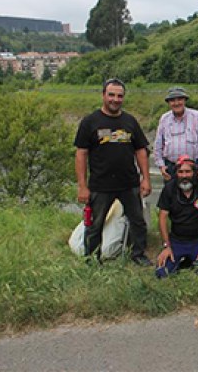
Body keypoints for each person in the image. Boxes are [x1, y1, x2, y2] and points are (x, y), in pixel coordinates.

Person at [74, 78, 152, 266]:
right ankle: (92, 259)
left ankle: (138, 255)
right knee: (95, 224)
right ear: (103, 95)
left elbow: (141, 150)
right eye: (111, 95)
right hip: (100, 184)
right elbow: (81, 154)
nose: (115, 99)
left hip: (129, 183)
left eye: (119, 96)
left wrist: (146, 179)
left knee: (138, 222)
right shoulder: (90, 121)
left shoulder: (130, 121)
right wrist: (82, 186)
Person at [155, 156, 198, 278]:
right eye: (181, 172)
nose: (184, 176)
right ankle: (184, 260)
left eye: (188, 171)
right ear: (176, 173)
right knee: (162, 273)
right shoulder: (169, 188)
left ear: (194, 173)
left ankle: (191, 260)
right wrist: (166, 246)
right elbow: (162, 218)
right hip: (177, 240)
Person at [154, 87, 198, 181]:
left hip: (194, 167)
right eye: (172, 100)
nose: (176, 103)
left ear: (185, 100)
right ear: (168, 103)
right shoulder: (164, 118)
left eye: (179, 99)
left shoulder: (197, 117)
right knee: (171, 195)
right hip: (171, 167)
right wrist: (161, 166)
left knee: (195, 195)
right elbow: (158, 145)